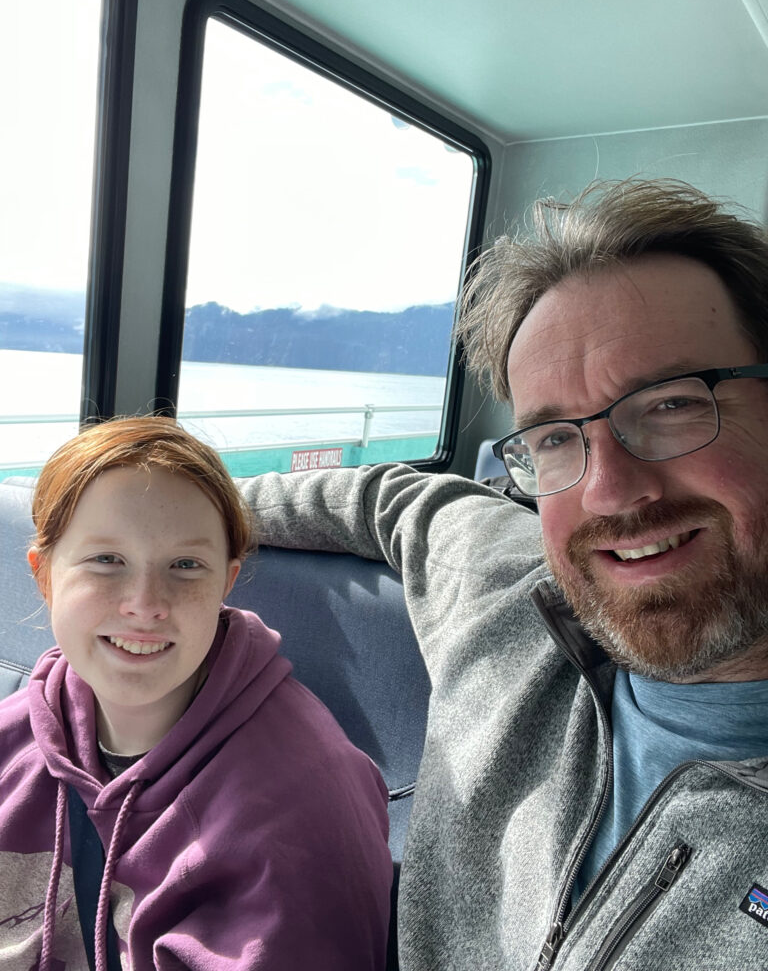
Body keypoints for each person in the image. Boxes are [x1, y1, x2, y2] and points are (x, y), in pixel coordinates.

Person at [240, 179, 768, 970]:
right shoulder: (513, 602)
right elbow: (397, 496)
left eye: (670, 404)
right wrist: (157, 516)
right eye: (555, 438)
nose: (609, 490)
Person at [0, 417, 391, 970]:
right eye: (106, 561)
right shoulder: (13, 736)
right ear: (45, 575)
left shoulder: (303, 808)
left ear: (225, 584)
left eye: (186, 566)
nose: (145, 602)